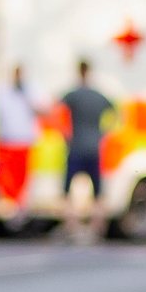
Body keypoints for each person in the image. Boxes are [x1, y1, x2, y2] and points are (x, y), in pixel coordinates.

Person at [59, 60, 115, 243]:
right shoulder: (98, 96)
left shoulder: (73, 95)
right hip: (94, 148)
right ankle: (98, 227)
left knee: (68, 191)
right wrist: (104, 134)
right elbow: (115, 113)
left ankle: (71, 227)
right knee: (97, 192)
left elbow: (56, 111)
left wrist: (64, 135)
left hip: (76, 147)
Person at [0, 64, 39, 232]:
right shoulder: (4, 92)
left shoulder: (30, 91)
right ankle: (10, 212)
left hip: (24, 142)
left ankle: (20, 213)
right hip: (7, 142)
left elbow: (41, 109)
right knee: (7, 180)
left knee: (22, 180)